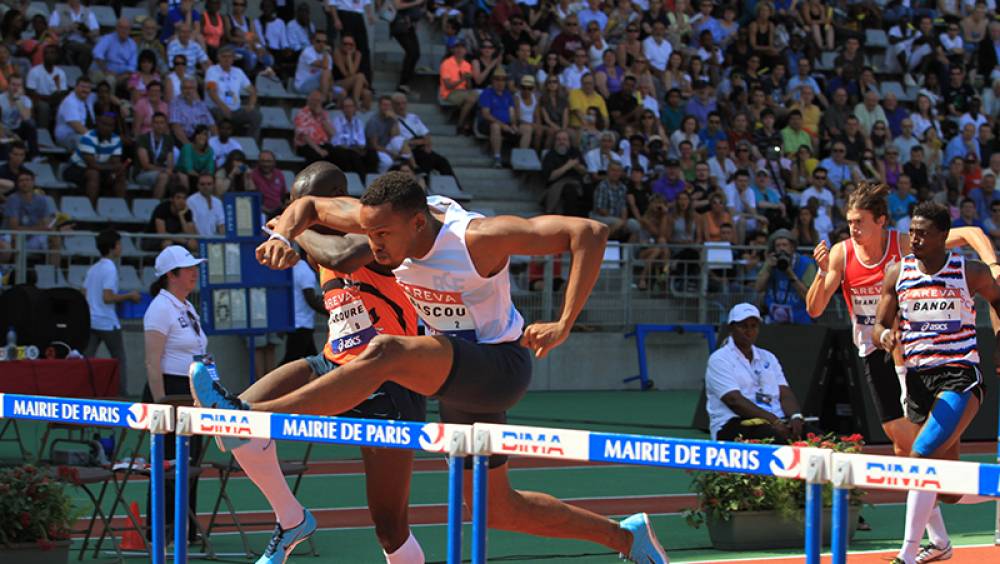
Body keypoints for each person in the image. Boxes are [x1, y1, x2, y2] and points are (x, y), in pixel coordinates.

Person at [192, 172, 668, 564]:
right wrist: (281, 234)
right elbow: (311, 207)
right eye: (368, 232)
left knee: (387, 354)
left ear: (419, 223)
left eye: (382, 237)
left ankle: (256, 417)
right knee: (497, 509)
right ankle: (626, 537)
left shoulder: (476, 239)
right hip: (454, 376)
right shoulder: (382, 223)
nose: (372, 247)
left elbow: (587, 232)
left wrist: (564, 322)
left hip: (499, 366)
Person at [200, 162, 430, 563]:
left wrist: (293, 229)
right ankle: (291, 519)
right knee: (232, 425)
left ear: (339, 199)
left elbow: (341, 259)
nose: (298, 211)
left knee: (390, 528)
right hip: (331, 364)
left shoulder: (374, 233)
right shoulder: (314, 245)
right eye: (293, 204)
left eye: (307, 204)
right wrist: (291, 242)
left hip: (388, 383)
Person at [873, 202, 1000, 564]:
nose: (914, 238)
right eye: (911, 231)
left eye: (923, 233)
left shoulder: (969, 272)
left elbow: (998, 301)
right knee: (946, 490)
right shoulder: (897, 273)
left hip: (960, 376)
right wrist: (883, 336)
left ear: (944, 236)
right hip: (918, 381)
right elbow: (881, 323)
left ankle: (908, 554)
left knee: (919, 458)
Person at [142, 244, 207, 542]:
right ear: (171, 274)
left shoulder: (186, 306)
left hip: (192, 390)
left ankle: (184, 528)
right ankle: (161, 528)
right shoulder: (160, 307)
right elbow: (152, 361)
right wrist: (160, 404)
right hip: (170, 390)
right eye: (188, 268)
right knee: (168, 461)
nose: (195, 272)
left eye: (195, 267)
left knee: (190, 461)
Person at [706, 303, 806, 442]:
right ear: (731, 328)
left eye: (754, 326)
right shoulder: (719, 359)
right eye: (743, 326)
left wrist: (796, 417)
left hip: (774, 420)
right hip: (734, 423)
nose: (749, 331)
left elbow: (784, 392)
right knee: (779, 440)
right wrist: (774, 421)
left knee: (820, 438)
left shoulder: (768, 357)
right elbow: (734, 400)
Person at [84, 229, 141, 397]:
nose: (121, 248)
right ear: (113, 247)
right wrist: (130, 295)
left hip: (91, 320)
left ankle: (83, 391)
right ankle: (121, 393)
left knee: (86, 359)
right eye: (119, 244)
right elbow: (107, 297)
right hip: (107, 322)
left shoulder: (93, 268)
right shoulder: (110, 269)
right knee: (119, 359)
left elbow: (84, 292)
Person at [63, 113, 128, 206]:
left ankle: (120, 206)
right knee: (93, 173)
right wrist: (112, 168)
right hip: (76, 168)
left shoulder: (116, 139)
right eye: (104, 124)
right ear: (98, 124)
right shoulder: (88, 137)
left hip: (100, 168)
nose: (106, 128)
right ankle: (91, 207)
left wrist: (116, 170)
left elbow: (116, 162)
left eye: (110, 125)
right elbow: (92, 164)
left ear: (113, 127)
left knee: (120, 174)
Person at [754, 229, 817, 324]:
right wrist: (768, 268)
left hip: (800, 323)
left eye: (784, 245)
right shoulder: (771, 263)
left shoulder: (806, 264)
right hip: (774, 321)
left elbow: (809, 297)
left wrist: (790, 273)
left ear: (792, 247)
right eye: (778, 246)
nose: (781, 249)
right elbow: (758, 288)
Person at [391, 93, 456, 179]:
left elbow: (426, 133)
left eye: (403, 103)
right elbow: (397, 140)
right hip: (408, 151)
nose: (401, 106)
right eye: (398, 104)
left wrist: (428, 145)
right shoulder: (391, 120)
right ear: (393, 105)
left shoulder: (413, 117)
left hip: (421, 147)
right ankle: (424, 185)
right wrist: (417, 142)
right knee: (426, 160)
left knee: (442, 161)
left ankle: (457, 188)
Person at [204, 46, 261, 140]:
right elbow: (211, 91)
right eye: (224, 56)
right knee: (220, 114)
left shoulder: (238, 72)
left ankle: (251, 142)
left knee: (256, 115)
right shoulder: (212, 71)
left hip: (235, 109)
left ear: (233, 58)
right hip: (217, 108)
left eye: (229, 57)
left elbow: (252, 90)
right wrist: (224, 107)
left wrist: (251, 105)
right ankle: (218, 142)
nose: (227, 59)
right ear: (218, 57)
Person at [135, 112, 178, 200]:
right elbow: (145, 165)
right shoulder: (143, 138)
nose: (159, 125)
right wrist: (164, 170)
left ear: (166, 125)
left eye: (162, 123)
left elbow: (170, 163)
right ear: (152, 124)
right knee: (164, 177)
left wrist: (168, 170)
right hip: (143, 173)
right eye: (156, 123)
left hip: (162, 172)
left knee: (179, 177)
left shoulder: (168, 140)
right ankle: (155, 205)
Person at [25, 44, 68, 130]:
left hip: (54, 101)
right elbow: (30, 92)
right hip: (37, 101)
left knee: (65, 106)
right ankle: (42, 134)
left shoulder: (61, 73)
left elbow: (62, 92)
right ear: (43, 56)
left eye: (52, 53)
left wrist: (53, 98)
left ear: (56, 56)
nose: (49, 55)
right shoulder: (34, 71)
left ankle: (59, 133)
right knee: (44, 107)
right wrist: (47, 98)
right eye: (47, 53)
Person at [144, 185, 198, 253]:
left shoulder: (187, 212)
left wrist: (181, 216)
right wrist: (185, 241)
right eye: (178, 198)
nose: (181, 201)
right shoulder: (162, 209)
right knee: (168, 244)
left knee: (194, 244)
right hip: (152, 239)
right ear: (172, 199)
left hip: (176, 240)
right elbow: (162, 234)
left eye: (184, 198)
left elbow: (189, 234)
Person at [170, 78, 216, 147]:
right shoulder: (175, 103)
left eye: (191, 88)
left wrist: (214, 142)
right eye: (185, 88)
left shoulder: (201, 104)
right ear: (181, 89)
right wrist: (189, 146)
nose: (188, 91)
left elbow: (212, 125)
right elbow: (176, 129)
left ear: (195, 90)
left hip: (203, 138)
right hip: (186, 139)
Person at [54, 76, 95, 152]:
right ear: (75, 87)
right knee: (83, 141)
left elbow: (106, 94)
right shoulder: (70, 102)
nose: (85, 90)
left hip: (85, 133)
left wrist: (121, 104)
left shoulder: (89, 97)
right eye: (82, 87)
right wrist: (95, 139)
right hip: (67, 136)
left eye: (88, 87)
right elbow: (77, 126)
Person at [0, 76, 37, 158]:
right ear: (8, 85)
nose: (16, 88)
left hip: (19, 129)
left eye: (19, 85)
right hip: (3, 131)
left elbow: (26, 118)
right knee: (6, 146)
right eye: (13, 84)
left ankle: (34, 156)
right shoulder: (1, 99)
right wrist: (12, 135)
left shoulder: (26, 100)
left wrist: (17, 99)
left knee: (31, 124)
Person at [249, 150, 286, 216]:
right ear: (258, 162)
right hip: (259, 212)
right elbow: (251, 198)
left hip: (278, 212)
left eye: (268, 161)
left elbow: (283, 195)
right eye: (263, 161)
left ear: (274, 162)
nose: (266, 164)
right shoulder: (252, 175)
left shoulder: (279, 174)